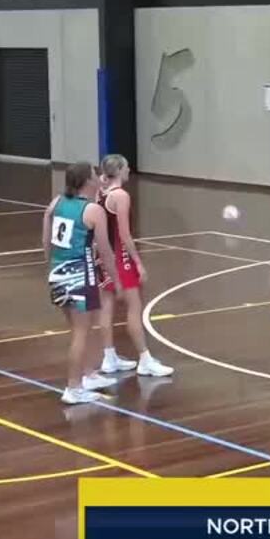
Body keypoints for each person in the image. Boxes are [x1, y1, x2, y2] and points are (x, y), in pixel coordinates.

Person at [43, 162, 121, 405]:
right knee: (81, 332)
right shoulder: (92, 210)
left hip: (58, 272)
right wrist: (115, 280)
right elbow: (106, 252)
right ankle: (73, 388)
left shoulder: (57, 203)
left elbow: (46, 237)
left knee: (80, 329)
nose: (99, 177)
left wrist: (52, 264)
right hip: (79, 275)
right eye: (95, 174)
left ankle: (88, 375)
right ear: (88, 181)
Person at [95, 155, 174, 380]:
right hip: (120, 257)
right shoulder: (121, 196)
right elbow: (125, 234)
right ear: (119, 170)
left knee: (107, 306)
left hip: (102, 256)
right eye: (127, 166)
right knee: (134, 306)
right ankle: (145, 359)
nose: (130, 169)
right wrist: (138, 261)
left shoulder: (101, 192)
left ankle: (109, 357)